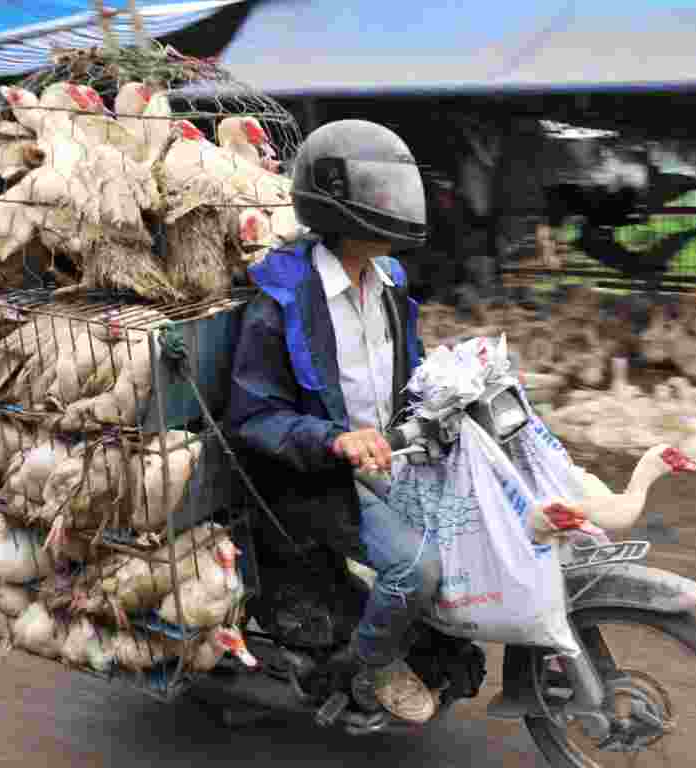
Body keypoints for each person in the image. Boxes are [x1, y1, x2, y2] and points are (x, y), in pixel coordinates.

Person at [228, 119, 441, 724]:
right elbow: (256, 417)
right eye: (378, 194)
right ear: (335, 205)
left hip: (393, 459)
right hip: (316, 478)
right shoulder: (284, 298)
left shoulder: (390, 282)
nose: (393, 206)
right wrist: (336, 440)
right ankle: (367, 666)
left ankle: (424, 639)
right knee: (415, 568)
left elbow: (412, 370)